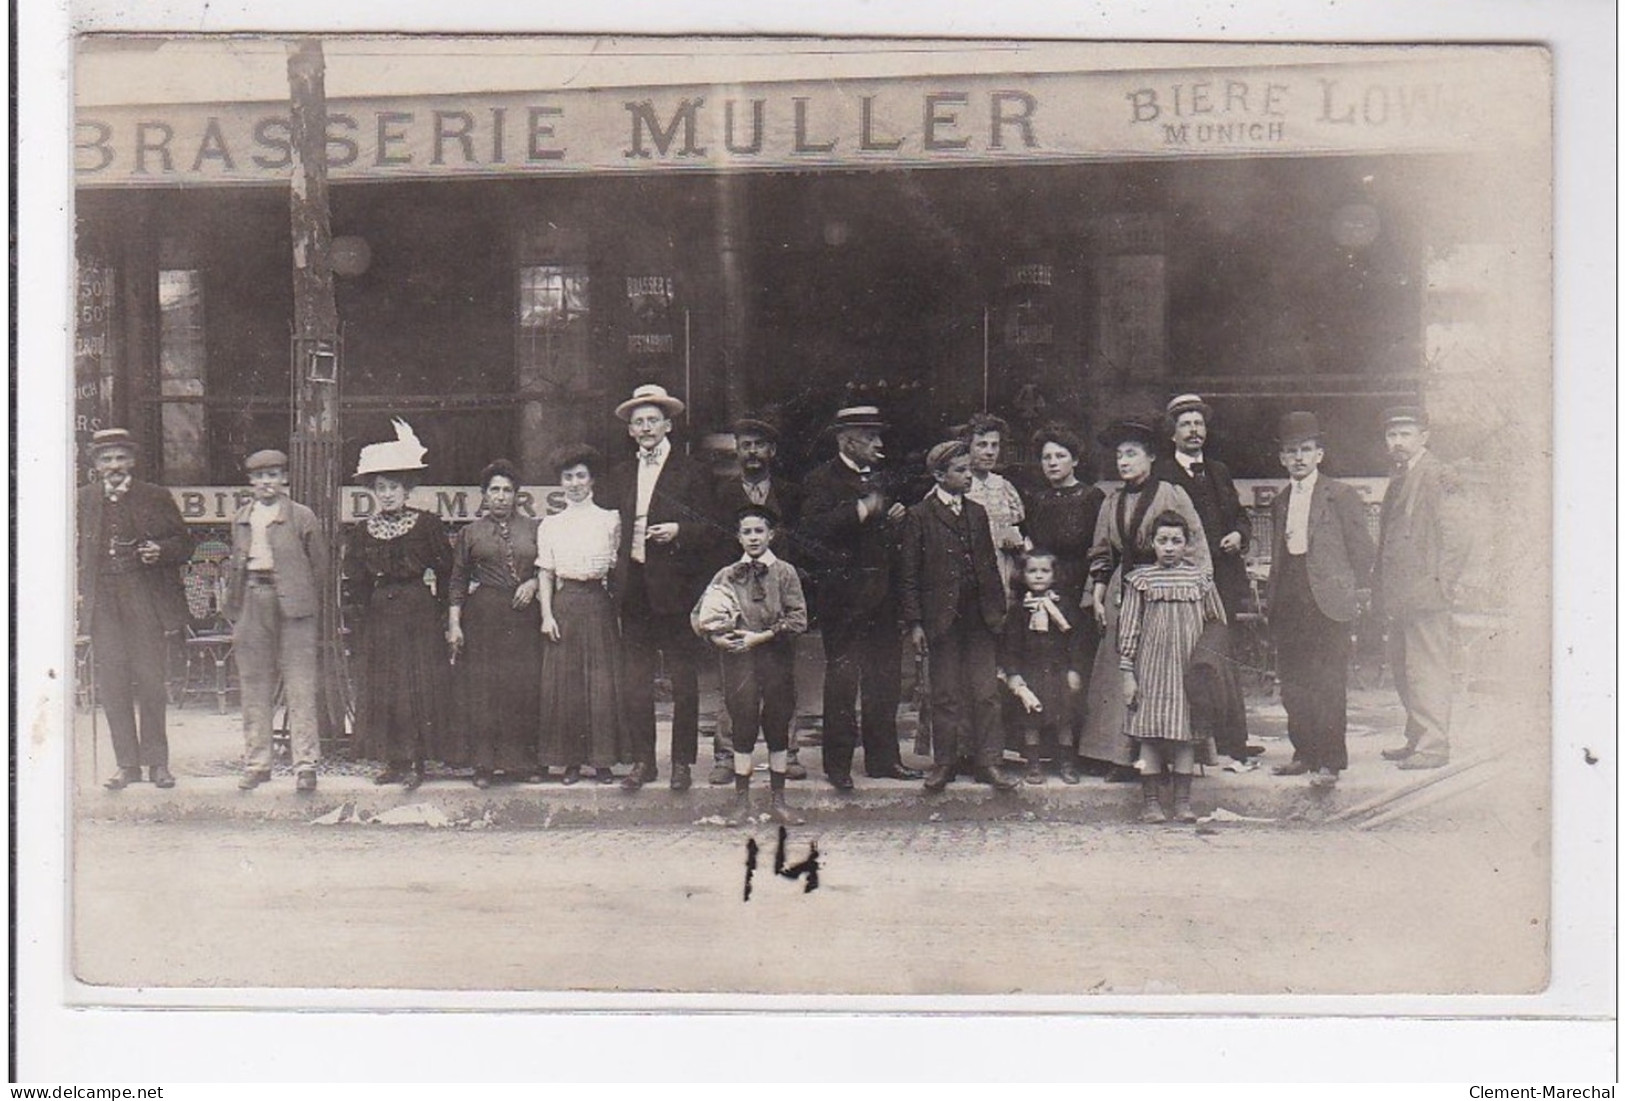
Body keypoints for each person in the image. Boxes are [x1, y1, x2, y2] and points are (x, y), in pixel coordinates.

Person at [799, 405, 923, 789]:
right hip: (845, 600)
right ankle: (838, 766)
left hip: (883, 599)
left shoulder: (883, 479)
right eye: (871, 437)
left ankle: (883, 761)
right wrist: (861, 510)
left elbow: (888, 535)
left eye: (878, 436)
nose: (879, 443)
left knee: (884, 681)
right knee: (842, 682)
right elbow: (812, 532)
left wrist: (895, 516)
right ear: (845, 440)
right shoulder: (820, 480)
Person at [1081, 416, 1212, 778]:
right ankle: (1121, 757)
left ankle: (1166, 756)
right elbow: (1102, 550)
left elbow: (1195, 547)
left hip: (1167, 591)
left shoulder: (1172, 494)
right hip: (1124, 592)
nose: (1123, 461)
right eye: (1120, 455)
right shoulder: (1113, 501)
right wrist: (1097, 592)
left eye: (1132, 454)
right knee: (1119, 671)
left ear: (1151, 457)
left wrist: (1196, 594)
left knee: (1162, 674)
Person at [609, 384, 717, 793]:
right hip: (633, 588)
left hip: (675, 590)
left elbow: (713, 531)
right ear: (630, 431)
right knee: (635, 681)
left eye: (653, 420)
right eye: (638, 422)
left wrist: (679, 531)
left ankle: (682, 764)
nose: (646, 427)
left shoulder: (693, 471)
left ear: (668, 425)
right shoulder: (620, 474)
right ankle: (643, 762)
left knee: (682, 680)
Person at [75, 428, 193, 790]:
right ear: (95, 465)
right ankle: (127, 765)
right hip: (103, 601)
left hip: (144, 595)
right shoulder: (83, 499)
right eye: (106, 459)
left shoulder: (154, 496)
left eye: (120, 458)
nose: (114, 466)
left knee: (151, 680)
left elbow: (185, 544)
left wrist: (161, 550)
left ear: (132, 461)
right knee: (112, 684)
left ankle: (158, 764)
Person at [1265, 413, 1377, 787]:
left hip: (1329, 596)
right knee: (1294, 680)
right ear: (1282, 458)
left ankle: (1330, 760)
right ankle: (1304, 753)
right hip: (1290, 594)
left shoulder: (1340, 495)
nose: (1298, 457)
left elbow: (1361, 549)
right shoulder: (1280, 500)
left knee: (1327, 678)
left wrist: (1359, 592)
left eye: (1306, 450)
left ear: (1320, 454)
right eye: (1291, 451)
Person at [899, 440, 1018, 793]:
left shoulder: (977, 513)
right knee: (945, 693)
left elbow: (988, 567)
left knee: (986, 692)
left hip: (979, 617)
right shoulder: (919, 516)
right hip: (941, 621)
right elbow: (909, 575)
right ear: (939, 475)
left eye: (969, 469)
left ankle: (990, 763)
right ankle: (944, 763)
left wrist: (997, 612)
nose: (969, 476)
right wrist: (916, 623)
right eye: (961, 471)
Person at [344, 419, 456, 790]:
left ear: (407, 489)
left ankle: (418, 761)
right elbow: (355, 580)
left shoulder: (427, 525)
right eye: (381, 488)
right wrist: (362, 619)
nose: (388, 494)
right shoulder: (364, 531)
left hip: (417, 612)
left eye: (394, 487)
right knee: (386, 685)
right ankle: (393, 760)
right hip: (381, 614)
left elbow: (447, 570)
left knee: (415, 683)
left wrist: (440, 611)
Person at [1153, 393, 1261, 765]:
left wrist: (1239, 535)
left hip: (1224, 581)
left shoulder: (1218, 471)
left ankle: (1233, 742)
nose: (1194, 430)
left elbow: (1239, 517)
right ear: (1173, 433)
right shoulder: (1162, 474)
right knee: (1187, 659)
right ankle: (1193, 742)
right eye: (1186, 424)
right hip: (1184, 580)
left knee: (1222, 656)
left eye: (1199, 423)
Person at [691, 504, 809, 826]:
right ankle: (741, 803)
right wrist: (716, 639)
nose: (754, 537)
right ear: (738, 537)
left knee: (776, 725)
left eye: (760, 531)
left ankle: (779, 801)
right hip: (739, 663)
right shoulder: (726, 574)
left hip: (775, 659)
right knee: (742, 725)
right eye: (747, 532)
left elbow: (799, 619)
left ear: (771, 534)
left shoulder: (785, 573)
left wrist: (762, 637)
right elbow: (699, 616)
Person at [706, 413, 807, 784]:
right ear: (736, 451)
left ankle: (789, 751)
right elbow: (714, 545)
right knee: (732, 677)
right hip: (736, 595)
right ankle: (726, 754)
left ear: (772, 451)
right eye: (745, 445)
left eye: (759, 445)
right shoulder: (721, 494)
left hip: (777, 595)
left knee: (783, 679)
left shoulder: (791, 493)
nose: (752, 452)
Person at [222, 448, 325, 792]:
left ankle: (305, 765)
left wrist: (304, 599)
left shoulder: (301, 516)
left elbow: (320, 566)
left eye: (273, 476)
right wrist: (234, 608)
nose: (267, 483)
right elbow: (236, 563)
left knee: (300, 684)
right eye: (260, 477)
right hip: (252, 598)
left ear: (284, 480)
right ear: (250, 482)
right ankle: (257, 762)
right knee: (253, 683)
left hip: (294, 607)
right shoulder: (241, 518)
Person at [1117, 512, 1228, 823]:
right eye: (1162, 541)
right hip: (1150, 672)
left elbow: (1217, 623)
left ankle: (1182, 803)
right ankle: (1151, 803)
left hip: (1187, 674)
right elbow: (1128, 629)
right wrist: (1128, 675)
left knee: (1184, 736)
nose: (1168, 547)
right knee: (1150, 736)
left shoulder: (1199, 580)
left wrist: (1206, 666)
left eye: (1176, 541)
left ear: (1187, 545)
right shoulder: (1140, 581)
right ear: (1152, 543)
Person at [1374, 406, 1468, 770]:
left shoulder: (1441, 474)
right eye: (1391, 436)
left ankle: (1433, 746)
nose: (1397, 442)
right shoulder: (1401, 477)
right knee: (1404, 667)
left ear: (1424, 437)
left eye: (1405, 434)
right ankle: (1417, 739)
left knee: (1426, 669)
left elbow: (1459, 535)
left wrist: (1440, 585)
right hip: (1402, 595)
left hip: (1426, 594)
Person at [536, 444, 628, 785]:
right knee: (567, 684)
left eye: (580, 476)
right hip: (565, 603)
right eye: (568, 477)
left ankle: (602, 762)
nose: (574, 483)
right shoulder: (551, 524)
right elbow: (545, 572)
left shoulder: (610, 519)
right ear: (560, 483)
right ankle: (571, 762)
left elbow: (617, 568)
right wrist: (547, 615)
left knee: (601, 683)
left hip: (598, 602)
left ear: (591, 480)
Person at [447, 460, 541, 789]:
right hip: (484, 616)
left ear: (517, 495)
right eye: (494, 490)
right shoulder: (469, 533)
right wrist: (455, 624)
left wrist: (533, 585)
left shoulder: (534, 528)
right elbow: (457, 581)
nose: (501, 497)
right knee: (485, 691)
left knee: (520, 687)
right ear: (484, 495)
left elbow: (547, 568)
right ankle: (484, 764)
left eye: (507, 490)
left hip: (523, 616)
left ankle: (520, 763)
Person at [1020, 422, 1106, 767]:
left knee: (1078, 666)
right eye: (1046, 457)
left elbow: (1099, 547)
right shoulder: (1036, 499)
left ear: (1075, 460)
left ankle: (1082, 751)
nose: (1052, 463)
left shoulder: (1092, 497)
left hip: (1078, 591)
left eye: (1060, 456)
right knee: (1044, 668)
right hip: (1044, 591)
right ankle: (1045, 750)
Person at [1000, 552, 1090, 785]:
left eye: (1044, 571)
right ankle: (1033, 763)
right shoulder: (1019, 611)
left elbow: (1076, 641)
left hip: (1059, 671)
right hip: (1031, 672)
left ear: (1054, 574)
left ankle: (1066, 763)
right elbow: (1010, 646)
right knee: (1031, 717)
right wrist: (1014, 674)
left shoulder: (1065, 608)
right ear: (1023, 575)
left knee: (1064, 718)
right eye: (1032, 571)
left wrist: (1074, 670)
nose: (1038, 576)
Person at [961, 412, 1028, 603]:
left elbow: (1020, 531)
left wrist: (1015, 540)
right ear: (968, 448)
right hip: (968, 570)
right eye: (982, 445)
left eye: (994, 445)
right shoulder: (957, 485)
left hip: (1002, 568)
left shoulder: (1005, 487)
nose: (990, 452)